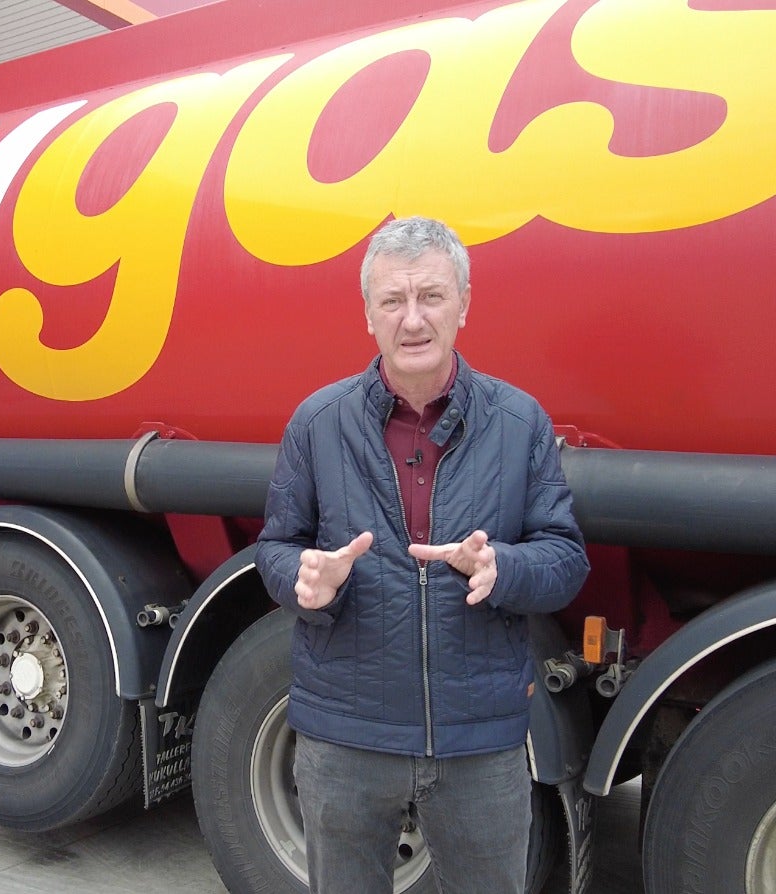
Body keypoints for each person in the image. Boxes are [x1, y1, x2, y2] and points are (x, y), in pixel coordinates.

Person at [256, 216, 590, 893]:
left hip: (478, 743)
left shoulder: (519, 421)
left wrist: (503, 569)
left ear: (463, 304)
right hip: (345, 738)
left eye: (431, 296)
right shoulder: (318, 422)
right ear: (368, 315)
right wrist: (303, 578)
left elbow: (565, 558)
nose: (412, 319)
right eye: (393, 300)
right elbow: (276, 548)